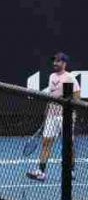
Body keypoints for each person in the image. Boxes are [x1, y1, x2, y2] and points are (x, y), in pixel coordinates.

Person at [27, 52, 81, 181]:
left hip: (65, 116)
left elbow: (77, 96)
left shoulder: (70, 78)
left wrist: (72, 114)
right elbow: (52, 96)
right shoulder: (51, 76)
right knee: (46, 143)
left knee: (69, 145)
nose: (55, 63)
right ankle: (41, 172)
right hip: (51, 115)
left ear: (64, 63)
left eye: (58, 61)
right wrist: (48, 111)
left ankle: (71, 171)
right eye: (54, 61)